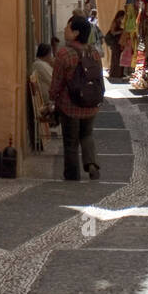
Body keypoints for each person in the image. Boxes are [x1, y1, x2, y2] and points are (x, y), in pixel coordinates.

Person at [49, 15, 104, 181]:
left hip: (70, 106)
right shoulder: (93, 53)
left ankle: (72, 175)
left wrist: (52, 98)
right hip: (91, 104)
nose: (65, 30)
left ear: (76, 33)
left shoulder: (64, 54)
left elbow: (57, 81)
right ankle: (91, 164)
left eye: (68, 27)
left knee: (71, 142)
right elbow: (98, 77)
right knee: (87, 135)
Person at [30, 43, 54, 108]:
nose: (52, 56)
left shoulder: (41, 64)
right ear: (47, 54)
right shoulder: (39, 64)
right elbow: (53, 81)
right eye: (51, 53)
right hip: (48, 99)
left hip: (48, 96)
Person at [105, 10, 125, 81]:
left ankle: (117, 73)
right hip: (114, 43)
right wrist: (121, 31)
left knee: (117, 58)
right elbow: (113, 32)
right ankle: (114, 74)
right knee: (115, 58)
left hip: (116, 43)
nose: (122, 18)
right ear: (119, 16)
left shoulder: (118, 22)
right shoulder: (115, 22)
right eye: (122, 17)